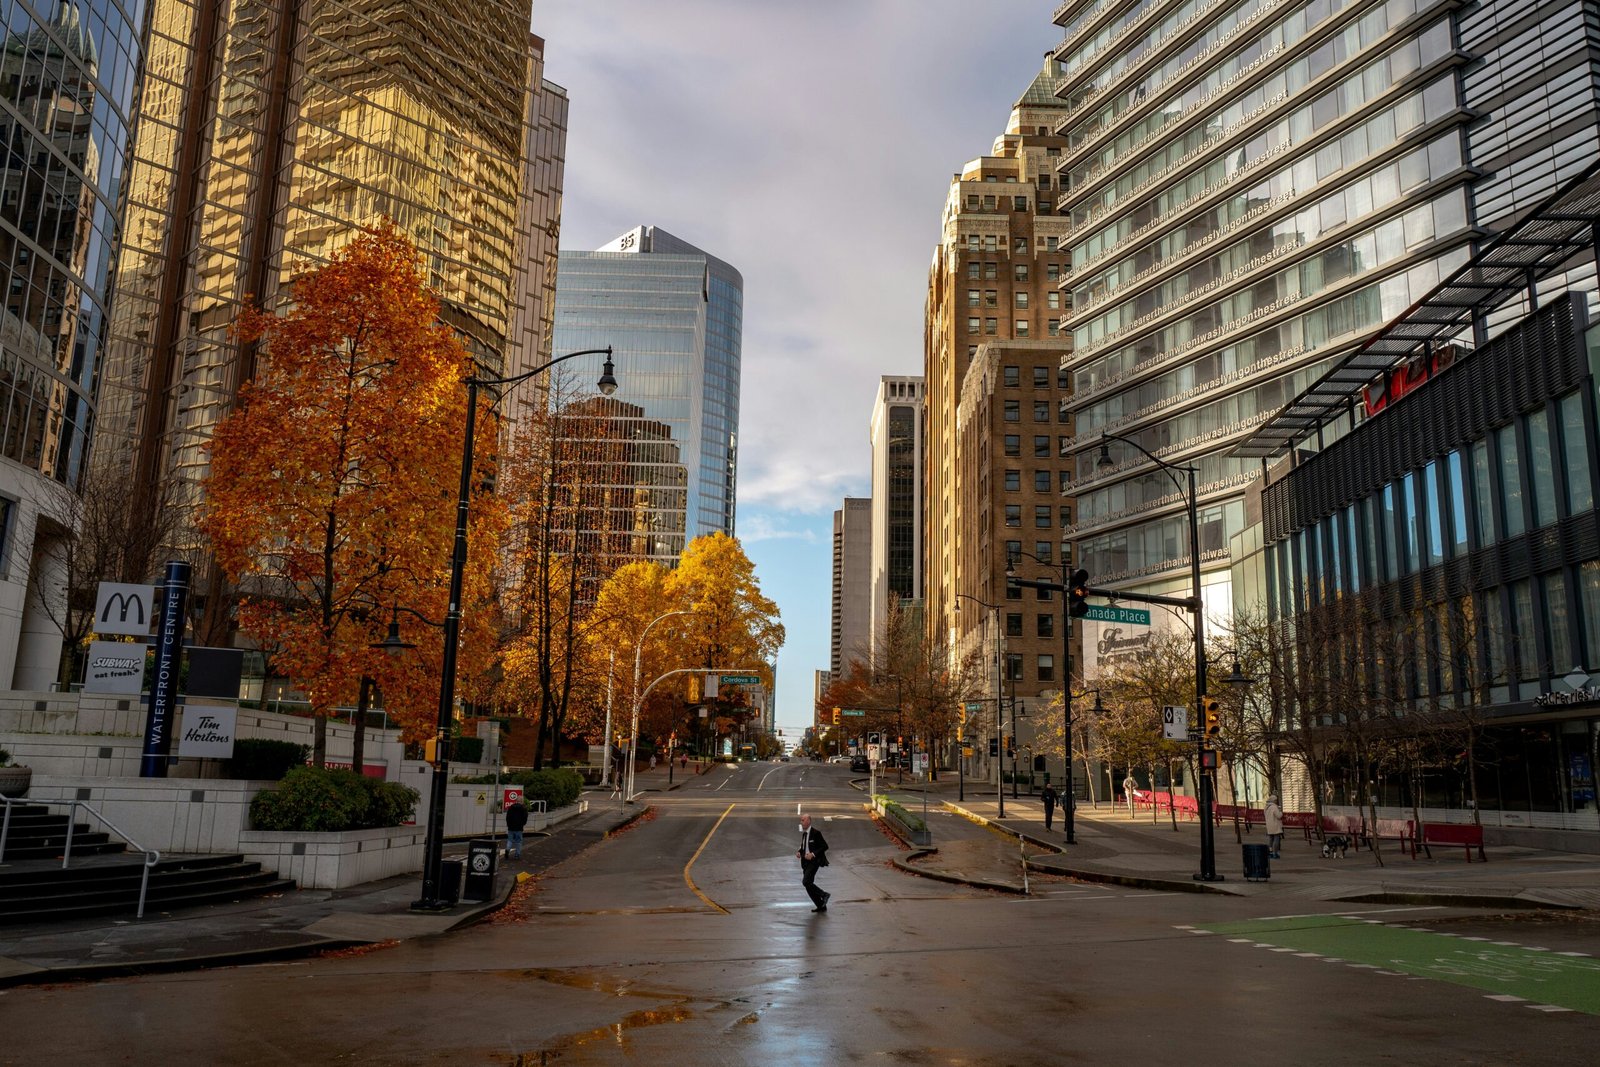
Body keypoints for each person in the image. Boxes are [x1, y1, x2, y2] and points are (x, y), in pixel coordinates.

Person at [797, 813, 831, 912]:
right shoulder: (804, 834)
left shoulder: (816, 833)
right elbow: (803, 846)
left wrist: (813, 854)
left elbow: (825, 846)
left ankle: (824, 894)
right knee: (808, 885)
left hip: (814, 862)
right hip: (805, 863)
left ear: (808, 821)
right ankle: (821, 905)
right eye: (801, 820)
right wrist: (799, 852)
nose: (801, 822)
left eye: (803, 820)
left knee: (806, 882)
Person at [1265, 794, 1284, 858]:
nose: (1276, 802)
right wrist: (1281, 812)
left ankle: (1270, 852)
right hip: (1275, 825)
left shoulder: (1266, 807)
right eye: (1276, 800)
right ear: (1274, 801)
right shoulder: (1274, 807)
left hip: (1269, 825)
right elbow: (1279, 816)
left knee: (1271, 839)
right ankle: (1275, 853)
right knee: (1276, 839)